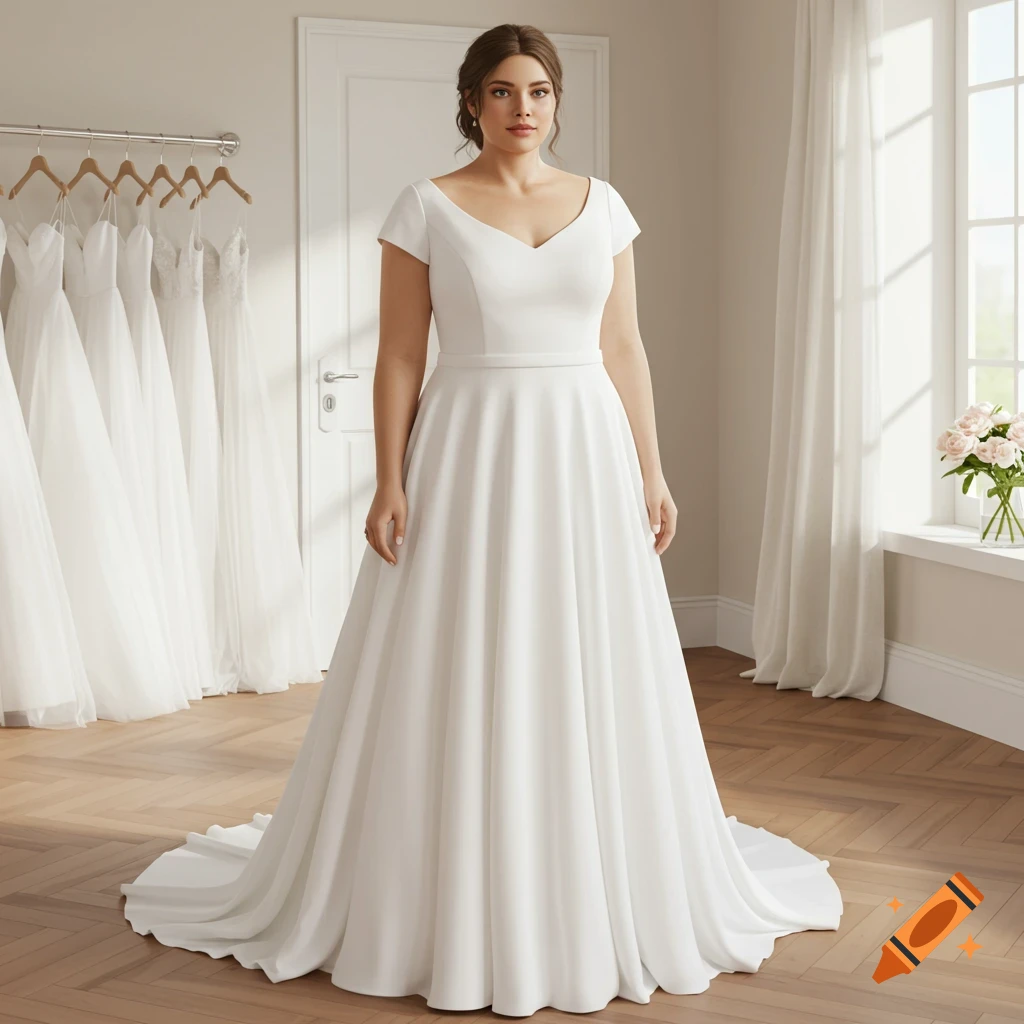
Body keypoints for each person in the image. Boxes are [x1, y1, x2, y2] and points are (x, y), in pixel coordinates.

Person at [121, 22, 843, 1017]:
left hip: (584, 447)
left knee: (584, 649)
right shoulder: (426, 207)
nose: (522, 109)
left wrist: (654, 469)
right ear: (471, 102)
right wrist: (387, 478)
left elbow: (624, 348)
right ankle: (446, 872)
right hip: (469, 444)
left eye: (538, 91)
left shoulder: (606, 207)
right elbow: (400, 359)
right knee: (459, 649)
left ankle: (588, 862)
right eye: (501, 92)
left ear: (556, 102)